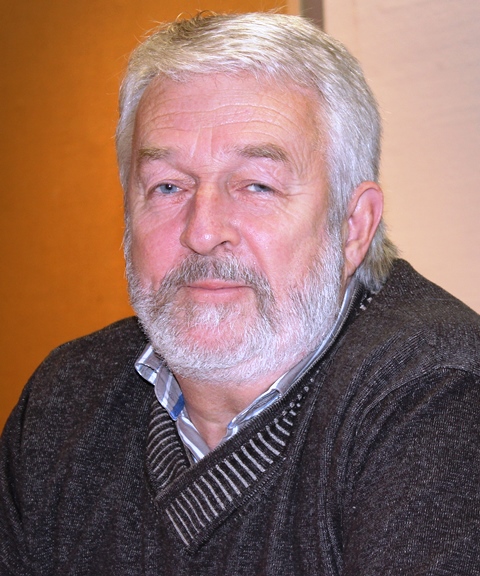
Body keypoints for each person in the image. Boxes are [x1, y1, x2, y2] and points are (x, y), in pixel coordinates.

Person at [1, 12, 479, 576]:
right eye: (168, 187)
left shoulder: (438, 394)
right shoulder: (66, 401)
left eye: (256, 186)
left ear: (353, 226)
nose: (202, 232)